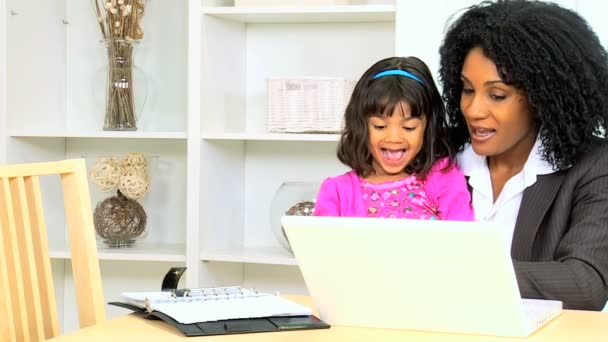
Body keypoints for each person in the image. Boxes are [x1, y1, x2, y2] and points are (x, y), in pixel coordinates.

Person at [439, 0, 608, 310]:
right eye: (466, 89)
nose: (473, 110)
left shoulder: (595, 165)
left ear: (542, 98)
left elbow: (585, 283)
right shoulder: (438, 152)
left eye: (497, 95)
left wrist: (456, 273)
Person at [314, 56, 474, 221]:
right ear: (361, 126)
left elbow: (464, 238)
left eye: (409, 127)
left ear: (428, 128)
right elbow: (320, 244)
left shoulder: (442, 176)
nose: (394, 138)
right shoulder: (336, 191)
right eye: (380, 126)